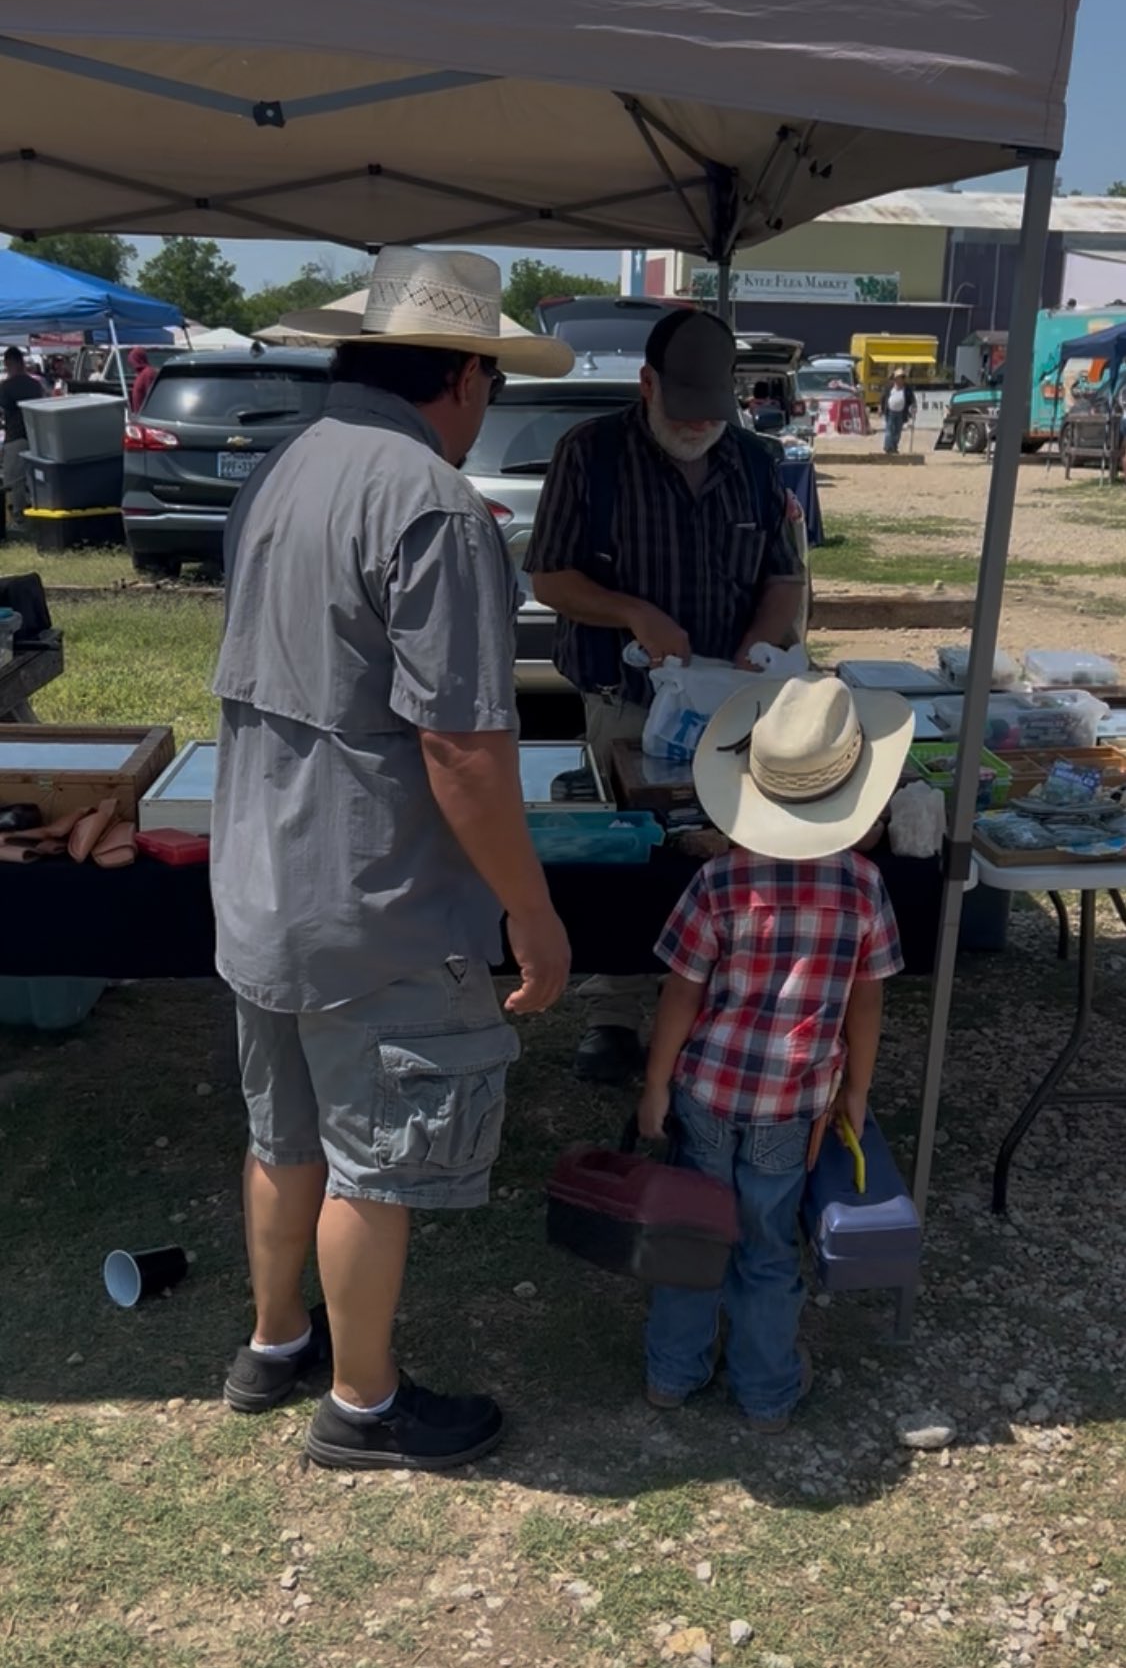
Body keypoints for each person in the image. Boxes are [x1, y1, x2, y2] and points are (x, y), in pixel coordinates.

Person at [210, 247, 574, 1474]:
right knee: (373, 1158)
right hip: (372, 892)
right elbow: (462, 748)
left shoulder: (280, 466)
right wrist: (531, 912)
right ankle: (362, 1403)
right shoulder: (430, 501)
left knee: (284, 1132)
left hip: (260, 871)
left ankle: (274, 1340)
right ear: (466, 376)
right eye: (491, 384)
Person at [527, 308, 807, 1086]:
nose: (696, 426)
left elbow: (783, 576)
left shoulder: (756, 460)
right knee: (632, 851)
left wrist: (759, 646)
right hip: (624, 698)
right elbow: (549, 578)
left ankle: (716, 1004)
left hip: (735, 699)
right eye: (682, 410)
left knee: (725, 848)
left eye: (710, 412)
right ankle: (613, 1012)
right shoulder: (590, 454)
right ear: (646, 384)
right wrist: (632, 612)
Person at [637, 674, 910, 1430]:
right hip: (793, 1103)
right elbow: (866, 1001)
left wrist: (655, 1083)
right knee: (766, 1243)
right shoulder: (864, 887)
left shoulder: (718, 881)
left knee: (692, 1234)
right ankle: (765, 1390)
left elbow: (680, 994)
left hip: (706, 1091)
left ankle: (672, 1373)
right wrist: (857, 1089)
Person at [1, 346, 46, 527]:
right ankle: (38, 513)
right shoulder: (35, 385)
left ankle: (18, 518)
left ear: (9, 363)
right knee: (36, 479)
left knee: (14, 481)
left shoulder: (6, 387)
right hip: (35, 438)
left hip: (15, 437)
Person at [880, 368, 916, 454]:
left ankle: (894, 447)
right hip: (890, 411)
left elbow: (912, 399)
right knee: (889, 430)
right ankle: (888, 447)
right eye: (899, 377)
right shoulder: (889, 387)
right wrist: (881, 408)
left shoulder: (907, 388)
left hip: (901, 412)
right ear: (895, 378)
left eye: (902, 377)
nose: (901, 380)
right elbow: (883, 398)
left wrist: (913, 407)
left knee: (897, 431)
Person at [128, 347, 158, 412]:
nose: (131, 363)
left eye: (133, 360)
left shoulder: (148, 373)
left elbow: (151, 396)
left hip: (145, 414)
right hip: (138, 414)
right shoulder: (140, 374)